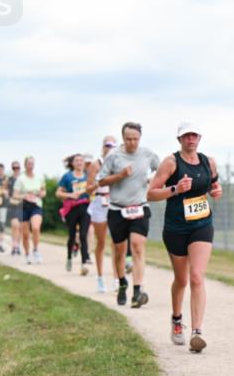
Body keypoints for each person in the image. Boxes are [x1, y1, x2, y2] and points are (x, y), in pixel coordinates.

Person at [147, 122, 223, 353]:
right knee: (181, 280)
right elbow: (150, 193)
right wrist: (176, 189)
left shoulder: (208, 162)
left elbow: (213, 184)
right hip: (176, 227)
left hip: (202, 224)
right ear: (179, 139)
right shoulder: (171, 162)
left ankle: (197, 332)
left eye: (194, 135)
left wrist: (215, 191)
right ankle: (177, 320)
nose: (190, 139)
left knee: (197, 277)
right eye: (186, 136)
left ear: (199, 137)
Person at [96, 121, 160, 308]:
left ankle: (138, 290)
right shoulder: (114, 156)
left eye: (136, 139)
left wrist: (153, 181)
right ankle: (123, 283)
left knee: (138, 246)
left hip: (140, 206)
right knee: (120, 251)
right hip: (117, 209)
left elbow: (163, 170)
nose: (132, 143)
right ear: (123, 138)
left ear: (140, 138)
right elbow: (100, 182)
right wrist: (119, 176)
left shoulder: (147, 154)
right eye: (128, 139)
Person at [88, 137, 118, 293]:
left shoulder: (119, 163)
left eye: (114, 145)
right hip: (100, 203)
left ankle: (116, 279)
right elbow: (88, 188)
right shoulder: (96, 164)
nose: (111, 147)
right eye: (108, 145)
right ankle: (100, 277)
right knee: (101, 243)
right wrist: (99, 184)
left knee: (116, 242)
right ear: (103, 147)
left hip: (115, 202)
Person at [56, 153, 92, 274]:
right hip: (71, 208)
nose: (79, 163)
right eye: (76, 161)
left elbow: (93, 189)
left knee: (83, 235)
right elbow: (58, 193)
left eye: (81, 161)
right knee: (72, 236)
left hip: (85, 206)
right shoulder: (67, 177)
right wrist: (70, 195)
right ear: (72, 163)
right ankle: (69, 257)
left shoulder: (88, 176)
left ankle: (84, 263)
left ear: (84, 163)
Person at [13, 156, 45, 264]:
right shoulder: (20, 179)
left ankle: (36, 250)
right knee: (25, 234)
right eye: (29, 164)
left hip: (36, 205)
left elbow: (43, 191)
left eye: (32, 164)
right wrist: (24, 196)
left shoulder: (39, 178)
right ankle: (27, 254)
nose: (30, 166)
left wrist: (41, 194)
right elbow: (15, 195)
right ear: (25, 165)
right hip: (24, 207)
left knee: (36, 228)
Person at [6, 161, 23, 255]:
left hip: (22, 205)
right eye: (14, 168)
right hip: (12, 205)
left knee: (20, 227)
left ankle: (18, 246)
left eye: (17, 168)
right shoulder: (9, 179)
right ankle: (14, 245)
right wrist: (7, 196)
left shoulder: (23, 179)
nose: (16, 169)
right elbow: (5, 190)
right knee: (14, 225)